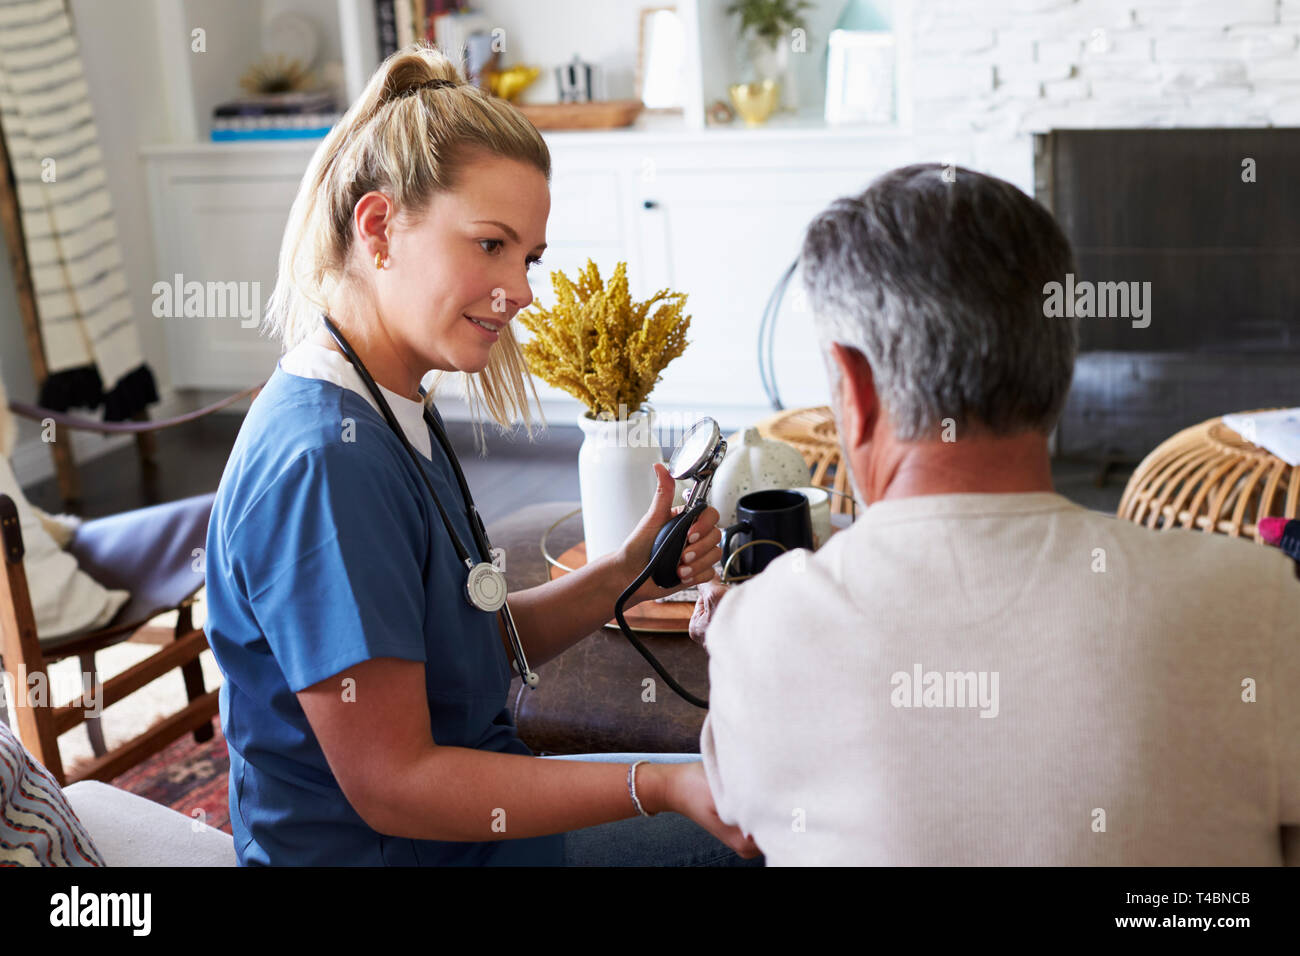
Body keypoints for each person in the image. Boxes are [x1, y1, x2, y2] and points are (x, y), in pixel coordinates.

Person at [203, 45, 761, 866]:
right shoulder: (328, 464)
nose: (525, 289)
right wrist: (662, 782)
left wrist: (629, 570)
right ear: (379, 227)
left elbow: (466, 642)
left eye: (527, 257)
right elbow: (397, 784)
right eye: (491, 245)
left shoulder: (389, 404)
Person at [689, 163, 1300, 866]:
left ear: (853, 392)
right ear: (1059, 362)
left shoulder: (759, 630)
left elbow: (742, 822)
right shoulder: (1257, 601)